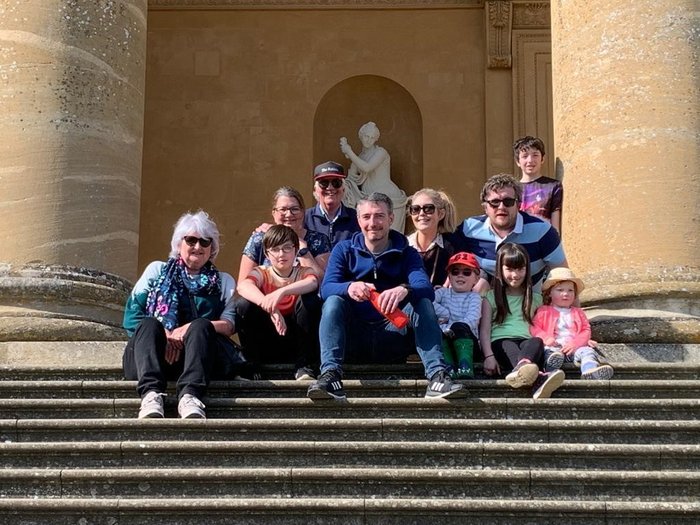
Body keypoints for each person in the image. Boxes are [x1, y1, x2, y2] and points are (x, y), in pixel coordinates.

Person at [306, 192, 465, 401]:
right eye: (367, 216)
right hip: (354, 337)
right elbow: (327, 288)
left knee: (422, 302)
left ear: (391, 218)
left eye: (379, 216)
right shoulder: (343, 250)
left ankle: (437, 376)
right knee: (333, 302)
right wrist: (349, 287)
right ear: (358, 220)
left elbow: (425, 288)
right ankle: (330, 376)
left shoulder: (406, 252)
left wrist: (404, 289)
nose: (373, 223)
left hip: (394, 334)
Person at [122, 210, 236, 419]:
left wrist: (186, 330)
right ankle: (151, 395)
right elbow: (131, 317)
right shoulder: (157, 271)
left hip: (198, 359)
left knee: (202, 325)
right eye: (191, 240)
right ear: (178, 244)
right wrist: (166, 334)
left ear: (212, 248)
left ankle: (191, 396)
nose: (197, 247)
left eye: (205, 242)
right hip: (152, 357)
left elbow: (229, 325)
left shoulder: (223, 282)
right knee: (149, 324)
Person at [453, 173, 567, 292]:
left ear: (518, 205)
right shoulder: (469, 229)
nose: (501, 207)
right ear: (485, 207)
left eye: (508, 201)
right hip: (485, 303)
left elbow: (563, 276)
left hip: (531, 301)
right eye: (495, 202)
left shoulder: (542, 231)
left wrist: (573, 310)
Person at [479, 243, 565, 399]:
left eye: (520, 269)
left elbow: (549, 326)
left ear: (527, 269)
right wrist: (488, 356)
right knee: (508, 345)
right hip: (500, 342)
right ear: (500, 269)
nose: (515, 275)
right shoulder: (490, 297)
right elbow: (484, 330)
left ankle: (524, 369)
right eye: (510, 269)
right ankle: (538, 377)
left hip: (529, 345)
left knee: (537, 341)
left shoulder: (536, 299)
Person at [235, 225, 321, 381]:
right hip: (268, 338)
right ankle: (251, 364)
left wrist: (281, 292)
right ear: (267, 253)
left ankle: (304, 366)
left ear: (295, 250)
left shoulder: (302, 272)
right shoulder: (262, 272)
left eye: (287, 248)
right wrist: (271, 308)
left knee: (310, 300)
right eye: (275, 249)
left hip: (296, 338)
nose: (281, 254)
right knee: (243, 305)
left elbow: (313, 282)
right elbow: (243, 286)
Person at [531, 267, 614, 379]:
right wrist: (546, 339)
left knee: (587, 352)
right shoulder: (544, 311)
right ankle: (551, 370)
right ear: (550, 293)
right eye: (560, 290)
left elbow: (586, 329)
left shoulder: (578, 312)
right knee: (549, 353)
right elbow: (534, 327)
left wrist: (576, 344)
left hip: (574, 348)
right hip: (554, 347)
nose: (566, 294)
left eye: (570, 290)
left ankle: (589, 369)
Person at [239, 186, 330, 283]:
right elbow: (243, 283)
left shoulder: (318, 240)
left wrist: (303, 251)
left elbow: (323, 282)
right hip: (265, 296)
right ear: (274, 213)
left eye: (294, 209)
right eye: (283, 209)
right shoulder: (259, 239)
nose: (289, 214)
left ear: (303, 212)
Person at [339, 122, 408, 233]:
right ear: (361, 136)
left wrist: (349, 152)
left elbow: (367, 168)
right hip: (369, 198)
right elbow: (351, 178)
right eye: (366, 136)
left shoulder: (381, 152)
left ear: (376, 139)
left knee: (392, 237)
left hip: (389, 197)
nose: (369, 140)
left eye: (372, 137)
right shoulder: (360, 157)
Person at [433, 252, 482, 379]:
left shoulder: (475, 297)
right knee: (437, 332)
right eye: (455, 272)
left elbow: (472, 320)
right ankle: (448, 366)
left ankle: (465, 366)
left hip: (468, 343)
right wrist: (444, 313)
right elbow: (429, 304)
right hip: (446, 339)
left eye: (466, 272)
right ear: (449, 276)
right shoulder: (442, 292)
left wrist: (450, 327)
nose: (460, 275)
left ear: (476, 279)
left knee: (461, 326)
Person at [406, 188, 461, 287]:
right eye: (415, 209)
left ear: (441, 214)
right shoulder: (403, 246)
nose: (421, 213)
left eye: (428, 208)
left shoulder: (454, 246)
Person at [304, 161, 360, 247]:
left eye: (336, 183)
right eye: (324, 183)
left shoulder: (357, 219)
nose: (330, 187)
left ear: (343, 189)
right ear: (315, 190)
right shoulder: (304, 219)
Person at [514, 136, 563, 233]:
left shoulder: (553, 186)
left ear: (542, 159)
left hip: (542, 242)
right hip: (516, 244)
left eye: (535, 155)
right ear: (518, 162)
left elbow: (555, 227)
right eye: (525, 156)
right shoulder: (511, 189)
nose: (530, 160)